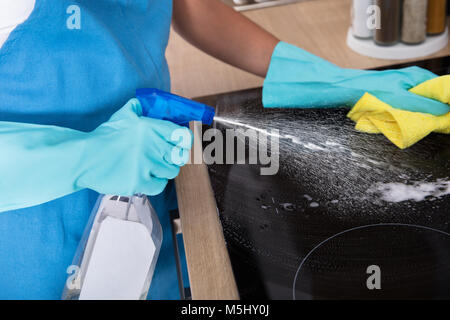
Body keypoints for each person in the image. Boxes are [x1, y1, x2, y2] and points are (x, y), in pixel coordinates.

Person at [0, 0, 448, 299]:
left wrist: (321, 78)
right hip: (33, 234)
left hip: (146, 178)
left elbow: (189, 5)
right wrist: (83, 156)